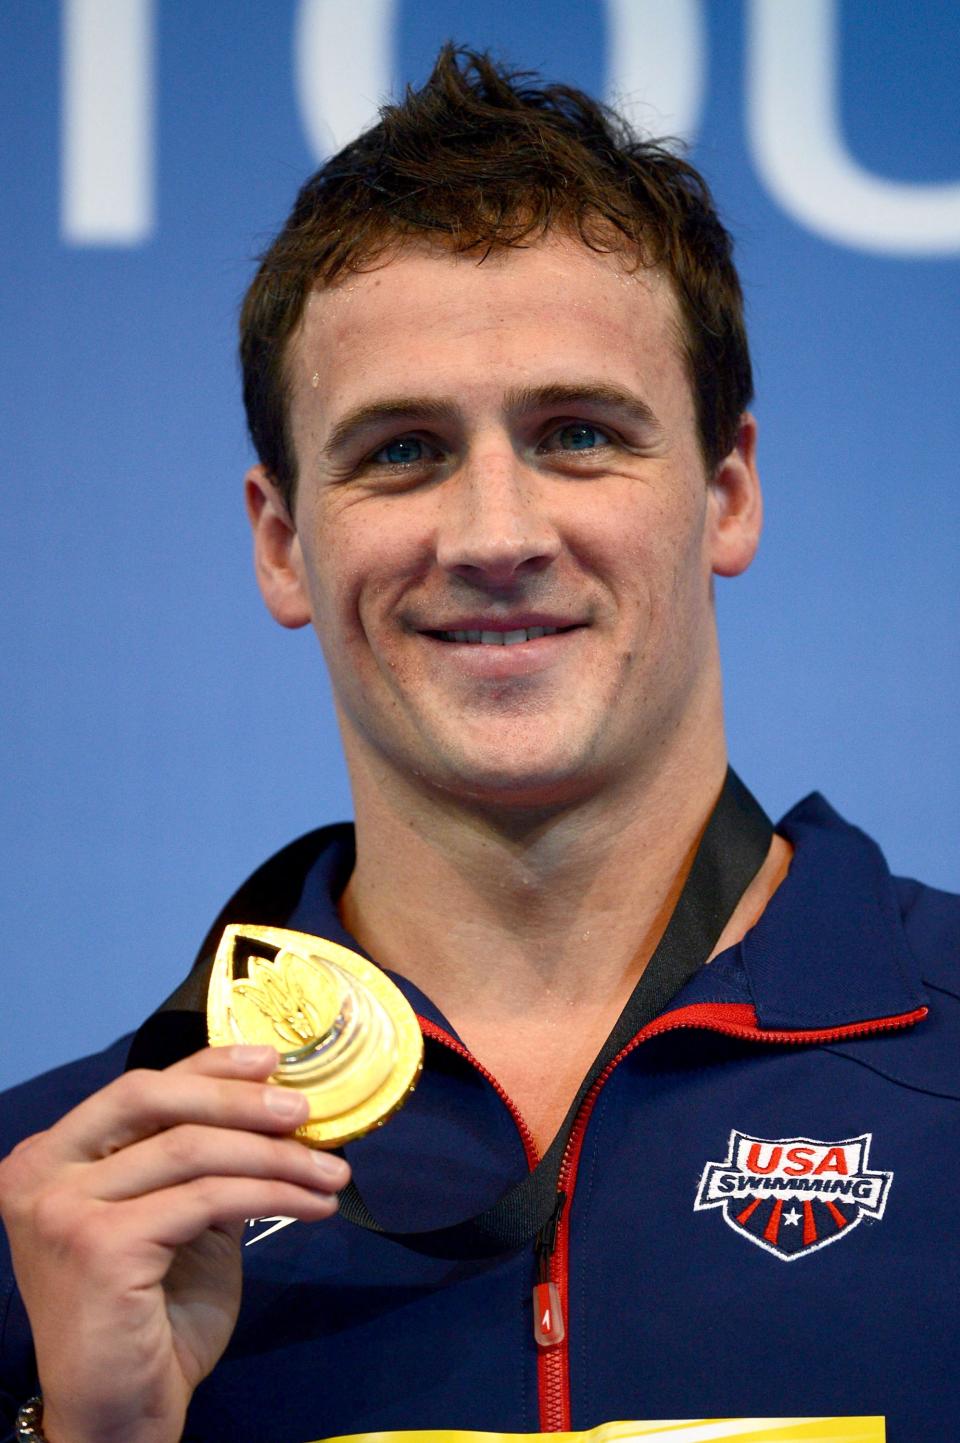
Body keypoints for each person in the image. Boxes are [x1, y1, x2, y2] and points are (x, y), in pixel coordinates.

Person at [1, 45, 958, 1443]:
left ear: (729, 493)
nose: (497, 536)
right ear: (282, 544)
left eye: (578, 434)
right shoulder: (70, 1205)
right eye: (400, 451)